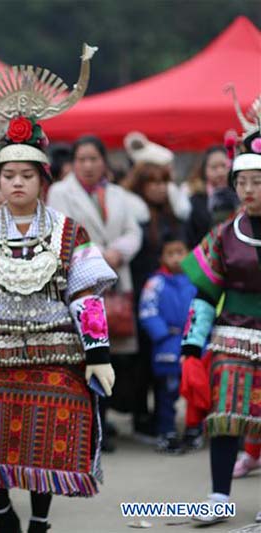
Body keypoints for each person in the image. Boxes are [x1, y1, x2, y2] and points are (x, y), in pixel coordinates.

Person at [0, 45, 115, 533]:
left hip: (56, 352)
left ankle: (39, 519)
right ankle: (2, 513)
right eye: (7, 175)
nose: (16, 183)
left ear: (43, 180)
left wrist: (98, 352)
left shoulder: (68, 230)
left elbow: (85, 297)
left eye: (26, 175)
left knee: (48, 438)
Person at [180, 105, 261, 526]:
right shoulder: (225, 234)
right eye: (242, 182)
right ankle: (218, 497)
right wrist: (192, 346)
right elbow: (204, 294)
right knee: (227, 417)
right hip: (233, 338)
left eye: (257, 181)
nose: (248, 190)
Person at [47, 134, 143, 448]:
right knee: (83, 352)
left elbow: (133, 231)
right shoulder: (60, 193)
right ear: (73, 163)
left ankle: (103, 421)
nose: (88, 165)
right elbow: (60, 232)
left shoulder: (116, 193)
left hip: (115, 282)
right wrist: (100, 252)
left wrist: (118, 251)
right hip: (80, 282)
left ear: (104, 161)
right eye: (82, 159)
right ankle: (86, 424)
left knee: (109, 354)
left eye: (94, 159)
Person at [138, 230, 197, 453]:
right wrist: (161, 334)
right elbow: (147, 310)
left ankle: (194, 428)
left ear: (189, 254)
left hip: (192, 342)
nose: (176, 258)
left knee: (195, 389)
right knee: (166, 392)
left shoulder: (196, 280)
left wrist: (201, 335)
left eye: (180, 252)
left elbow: (205, 308)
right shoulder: (155, 283)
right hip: (167, 344)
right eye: (170, 253)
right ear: (162, 257)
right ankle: (167, 431)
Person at [185, 145, 239, 248]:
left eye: (224, 166)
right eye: (214, 167)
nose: (220, 172)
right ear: (204, 170)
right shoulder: (195, 200)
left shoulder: (241, 194)